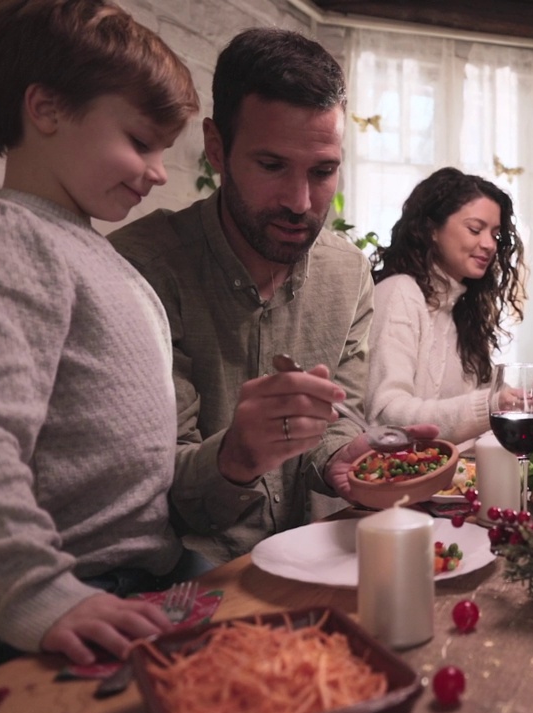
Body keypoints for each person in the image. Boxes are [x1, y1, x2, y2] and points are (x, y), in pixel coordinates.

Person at [0, 0, 200, 668]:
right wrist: (35, 591)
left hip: (142, 571)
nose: (158, 171)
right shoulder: (3, 236)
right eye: (139, 142)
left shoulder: (87, 248)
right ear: (45, 110)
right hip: (68, 593)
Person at [111, 28, 429, 564]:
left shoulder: (347, 271)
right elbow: (152, 483)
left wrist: (339, 455)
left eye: (323, 171)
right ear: (216, 147)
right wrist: (235, 456)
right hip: (167, 586)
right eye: (272, 165)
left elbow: (340, 417)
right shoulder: (142, 268)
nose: (301, 202)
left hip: (299, 562)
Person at [365, 168, 526, 443]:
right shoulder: (399, 293)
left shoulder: (462, 309)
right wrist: (489, 404)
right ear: (432, 230)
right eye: (475, 229)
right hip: (408, 483)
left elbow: (476, 399)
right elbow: (385, 415)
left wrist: (519, 396)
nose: (488, 244)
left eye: (495, 234)